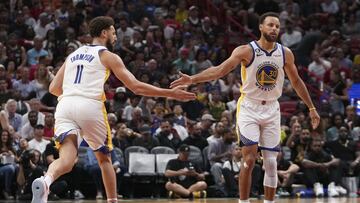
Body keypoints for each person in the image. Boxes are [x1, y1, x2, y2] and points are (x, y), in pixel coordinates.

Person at [31, 16, 196, 203]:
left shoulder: (73, 55)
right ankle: (112, 201)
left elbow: (53, 88)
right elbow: (136, 87)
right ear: (104, 33)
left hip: (65, 105)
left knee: (66, 161)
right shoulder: (107, 55)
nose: (115, 36)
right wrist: (170, 93)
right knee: (104, 159)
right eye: (113, 32)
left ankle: (45, 182)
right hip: (89, 105)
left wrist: (73, 91)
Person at [171, 12, 320, 203]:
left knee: (272, 163)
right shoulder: (246, 51)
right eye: (270, 25)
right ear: (260, 27)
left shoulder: (285, 53)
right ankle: (243, 201)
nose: (274, 29)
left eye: (277, 26)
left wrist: (312, 108)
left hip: (272, 108)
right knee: (249, 160)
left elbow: (297, 82)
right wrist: (192, 79)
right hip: (249, 106)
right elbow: (220, 70)